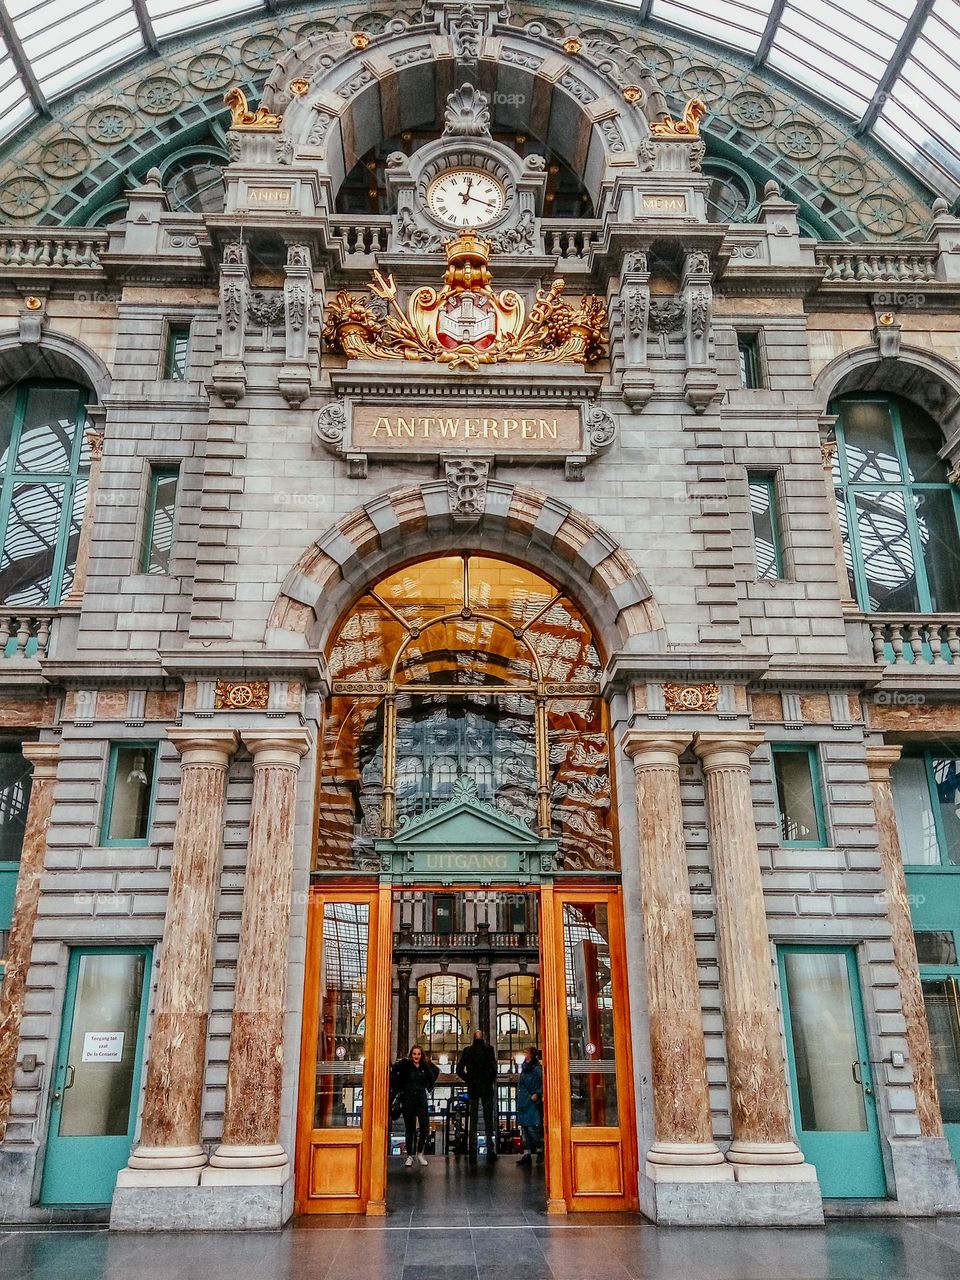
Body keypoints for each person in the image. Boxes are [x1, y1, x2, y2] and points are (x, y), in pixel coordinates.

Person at [390, 1044, 439, 1167]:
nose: (416, 1056)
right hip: (408, 1099)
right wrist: (398, 1088)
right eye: (414, 1054)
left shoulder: (425, 1066)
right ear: (411, 1055)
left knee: (424, 1127)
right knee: (410, 1129)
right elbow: (394, 1069)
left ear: (421, 1055)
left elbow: (434, 1073)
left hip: (421, 1098)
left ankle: (420, 1153)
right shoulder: (405, 1065)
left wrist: (429, 1087)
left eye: (418, 1054)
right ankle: (410, 1156)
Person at [456, 1029, 498, 1161]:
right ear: (483, 1037)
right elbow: (494, 1069)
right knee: (488, 1120)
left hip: (473, 1088)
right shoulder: (489, 1050)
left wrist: (469, 1079)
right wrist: (489, 1079)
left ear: (473, 1038)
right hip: (486, 1088)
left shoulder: (468, 1051)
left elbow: (459, 1069)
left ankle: (472, 1151)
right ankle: (490, 1150)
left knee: (473, 1120)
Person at [515, 1046, 543, 1166]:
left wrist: (537, 1093)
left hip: (529, 1102)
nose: (524, 1054)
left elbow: (542, 1082)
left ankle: (539, 1150)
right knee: (525, 1130)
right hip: (524, 1102)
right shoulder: (526, 1068)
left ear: (531, 1054)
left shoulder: (536, 1069)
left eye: (526, 1052)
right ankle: (527, 1154)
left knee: (531, 1129)